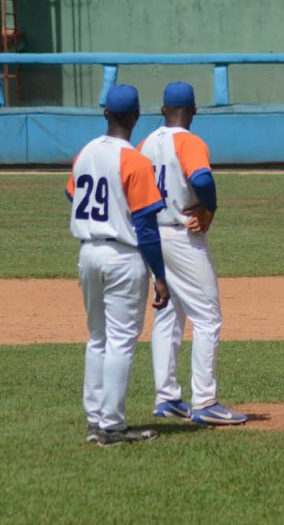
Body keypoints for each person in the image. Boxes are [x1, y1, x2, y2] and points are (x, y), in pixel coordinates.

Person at [66, 84, 170, 446]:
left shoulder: (85, 153)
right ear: (138, 116)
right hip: (122, 256)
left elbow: (72, 192)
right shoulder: (136, 161)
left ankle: (95, 419)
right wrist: (160, 275)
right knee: (122, 341)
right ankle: (111, 425)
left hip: (88, 252)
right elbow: (145, 225)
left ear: (105, 113)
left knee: (97, 338)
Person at [140, 82, 248, 426]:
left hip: (152, 236)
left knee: (168, 315)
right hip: (183, 235)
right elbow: (201, 179)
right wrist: (210, 209)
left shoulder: (146, 142)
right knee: (207, 317)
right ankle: (205, 401)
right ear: (194, 111)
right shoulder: (189, 141)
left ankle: (167, 397)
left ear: (162, 111)